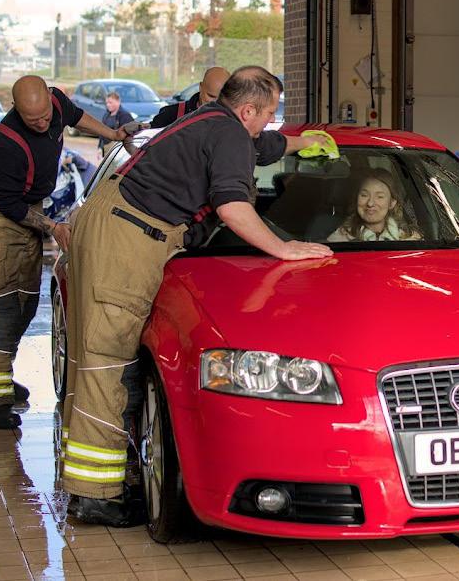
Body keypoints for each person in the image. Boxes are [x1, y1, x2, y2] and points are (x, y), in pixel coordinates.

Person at [61, 66, 331, 527]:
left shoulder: (214, 121)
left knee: (98, 357)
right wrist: (284, 248)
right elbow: (233, 206)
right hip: (126, 238)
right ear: (248, 110)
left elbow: (260, 146)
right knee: (107, 358)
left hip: (118, 222)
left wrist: (301, 142)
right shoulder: (227, 134)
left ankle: (91, 484)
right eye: (268, 114)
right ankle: (94, 496)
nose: (269, 122)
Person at [0, 75, 139, 430]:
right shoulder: (4, 146)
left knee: (25, 302)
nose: (43, 123)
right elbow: (8, 205)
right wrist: (53, 227)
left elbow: (76, 116)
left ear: (49, 96)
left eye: (46, 115)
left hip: (29, 209)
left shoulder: (57, 103)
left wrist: (112, 134)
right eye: (33, 120)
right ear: (17, 110)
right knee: (1, 301)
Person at [328, 169, 422, 242]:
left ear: (392, 203)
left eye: (380, 197)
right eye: (364, 195)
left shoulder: (409, 239)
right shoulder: (339, 240)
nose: (370, 203)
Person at [150, 66, 231, 128]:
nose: (216, 103)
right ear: (201, 87)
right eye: (211, 96)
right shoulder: (170, 115)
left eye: (222, 99)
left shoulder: (233, 120)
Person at [98, 91, 133, 157]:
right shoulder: (106, 115)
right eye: (107, 103)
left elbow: (128, 135)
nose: (108, 105)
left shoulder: (125, 115)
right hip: (106, 148)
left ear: (118, 101)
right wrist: (100, 147)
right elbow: (101, 132)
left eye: (110, 102)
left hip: (119, 150)